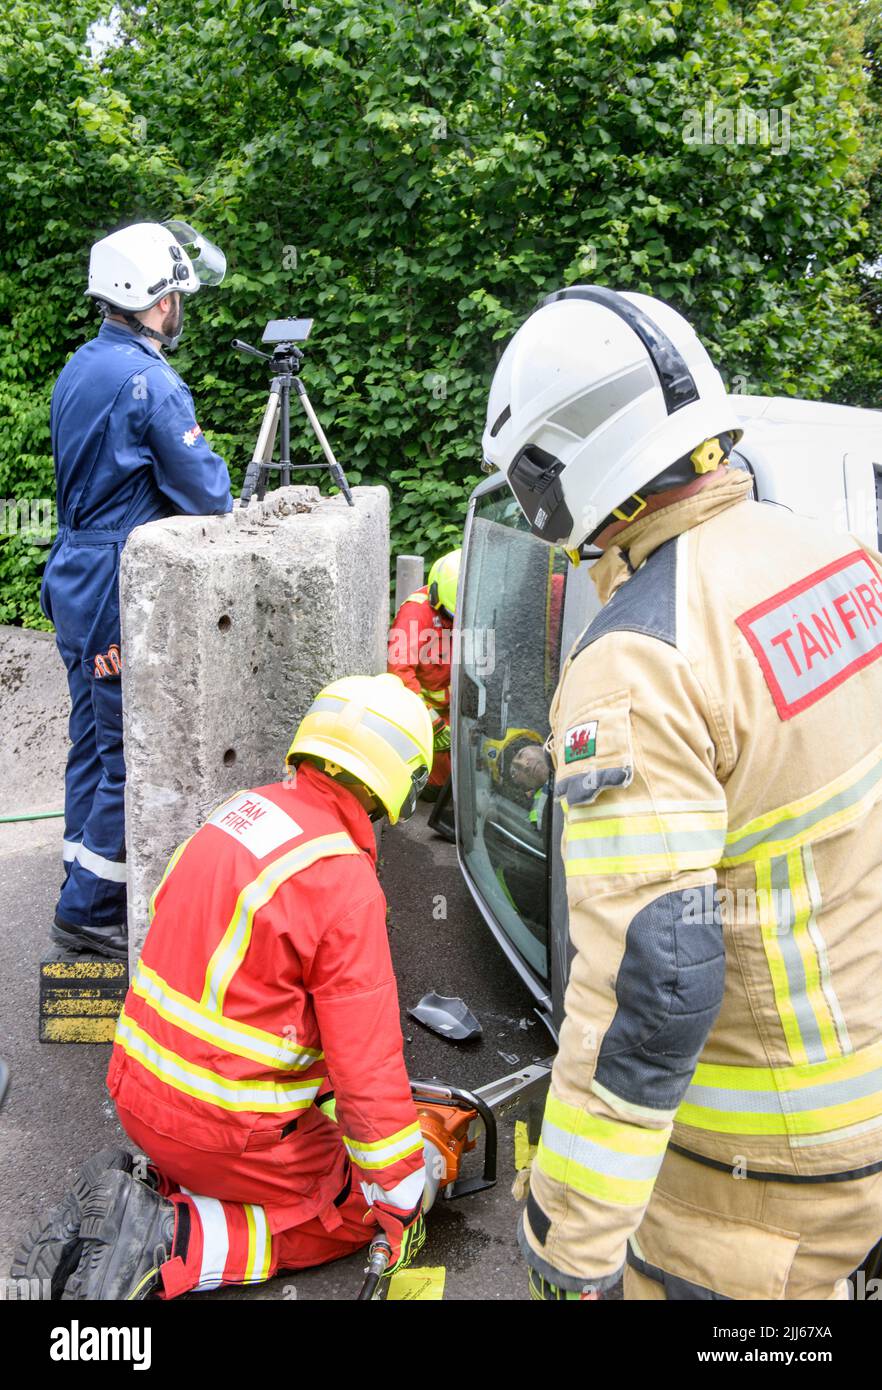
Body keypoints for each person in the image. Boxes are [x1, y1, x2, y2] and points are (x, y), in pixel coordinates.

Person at [483, 284, 882, 1301]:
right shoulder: (837, 560)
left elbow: (653, 987)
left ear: (560, 472)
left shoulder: (640, 657)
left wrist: (566, 1241)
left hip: (751, 1178)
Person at [13, 673, 433, 1299]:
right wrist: (401, 1188)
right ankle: (171, 1237)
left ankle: (140, 1198)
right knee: (349, 1207)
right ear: (392, 781)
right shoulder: (344, 885)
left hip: (139, 1093)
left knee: (301, 1136)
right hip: (220, 1129)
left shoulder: (240, 813)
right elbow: (367, 1065)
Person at [43, 220, 233, 960]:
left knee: (90, 741)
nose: (182, 306)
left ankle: (77, 877)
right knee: (127, 746)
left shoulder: (82, 365)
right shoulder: (150, 382)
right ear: (155, 301)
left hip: (74, 574)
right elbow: (208, 490)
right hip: (114, 583)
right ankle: (90, 911)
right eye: (178, 294)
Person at [388, 549, 460, 793]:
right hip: (428, 715)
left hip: (457, 711)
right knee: (436, 787)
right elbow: (399, 672)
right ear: (437, 598)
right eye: (451, 615)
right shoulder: (416, 614)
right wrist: (432, 722)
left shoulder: (464, 596)